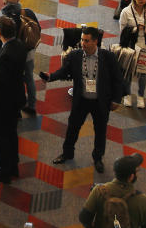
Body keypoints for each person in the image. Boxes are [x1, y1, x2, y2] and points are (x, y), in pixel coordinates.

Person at [42, 27, 124, 173]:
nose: (83, 43)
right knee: (72, 128)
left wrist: (117, 99)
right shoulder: (75, 55)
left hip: (100, 102)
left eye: (86, 41)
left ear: (95, 42)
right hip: (81, 100)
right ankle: (67, 153)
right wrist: (51, 76)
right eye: (82, 39)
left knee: (100, 131)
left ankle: (97, 158)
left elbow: (118, 80)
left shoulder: (108, 57)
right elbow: (64, 71)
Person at [78, 154, 146, 228]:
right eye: (137, 171)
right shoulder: (143, 201)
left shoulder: (98, 191)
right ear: (131, 177)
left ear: (115, 172)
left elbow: (84, 217)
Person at [0, 16, 26, 183]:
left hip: (4, 102)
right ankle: (13, 166)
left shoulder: (5, 54)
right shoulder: (19, 46)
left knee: (1, 137)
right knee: (12, 134)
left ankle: (5, 172)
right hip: (16, 98)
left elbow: (2, 80)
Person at [2, 0, 40, 116]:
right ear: (17, 1)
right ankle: (32, 105)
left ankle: (17, 108)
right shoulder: (28, 12)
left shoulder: (7, 17)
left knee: (16, 81)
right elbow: (38, 28)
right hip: (30, 51)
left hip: (16, 55)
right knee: (29, 78)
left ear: (5, 3)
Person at [119, 0, 146, 108]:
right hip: (130, 45)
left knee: (143, 73)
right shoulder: (126, 12)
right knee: (128, 71)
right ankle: (127, 95)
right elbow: (122, 31)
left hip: (144, 43)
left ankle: (140, 96)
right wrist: (135, 29)